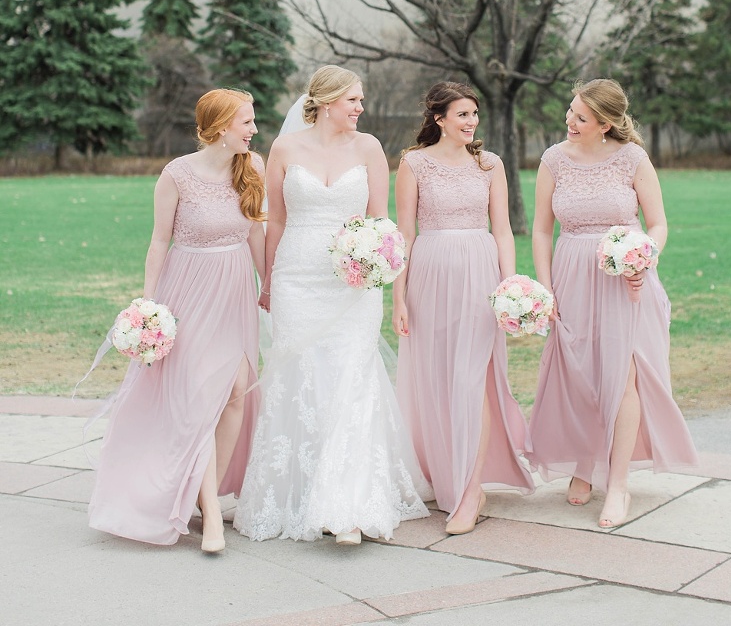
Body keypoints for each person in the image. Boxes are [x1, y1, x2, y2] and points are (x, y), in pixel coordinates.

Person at [234, 65, 429, 545]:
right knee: (303, 381)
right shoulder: (284, 149)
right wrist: (269, 282)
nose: (360, 108)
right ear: (324, 102)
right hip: (297, 278)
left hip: (354, 282)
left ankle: (350, 508)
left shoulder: (369, 149)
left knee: (351, 379)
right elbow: (275, 220)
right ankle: (304, 495)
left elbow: (380, 221)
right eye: (353, 101)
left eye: (361, 100)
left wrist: (379, 266)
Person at [89, 88, 265, 551]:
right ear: (222, 126)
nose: (253, 130)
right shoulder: (177, 175)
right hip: (187, 292)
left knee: (234, 396)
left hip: (235, 291)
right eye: (246, 122)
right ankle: (209, 519)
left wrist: (269, 285)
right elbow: (158, 242)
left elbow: (257, 233)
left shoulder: (253, 167)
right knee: (197, 402)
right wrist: (149, 306)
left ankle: (204, 500)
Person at [527, 78, 698, 529]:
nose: (569, 120)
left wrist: (642, 256)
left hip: (626, 282)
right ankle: (585, 463)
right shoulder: (553, 160)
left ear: (605, 124)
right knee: (581, 373)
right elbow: (541, 229)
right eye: (570, 110)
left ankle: (617, 484)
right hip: (570, 276)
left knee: (622, 379)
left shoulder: (633, 159)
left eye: (580, 117)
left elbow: (658, 224)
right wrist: (546, 289)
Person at [393, 82, 534, 535]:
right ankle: (446, 475)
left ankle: (472, 489)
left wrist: (509, 284)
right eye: (462, 115)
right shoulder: (413, 163)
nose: (472, 122)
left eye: (475, 114)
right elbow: (405, 235)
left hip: (480, 273)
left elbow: (504, 230)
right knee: (437, 379)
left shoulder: (489, 164)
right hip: (429, 276)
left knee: (474, 379)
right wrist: (398, 297)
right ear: (439, 119)